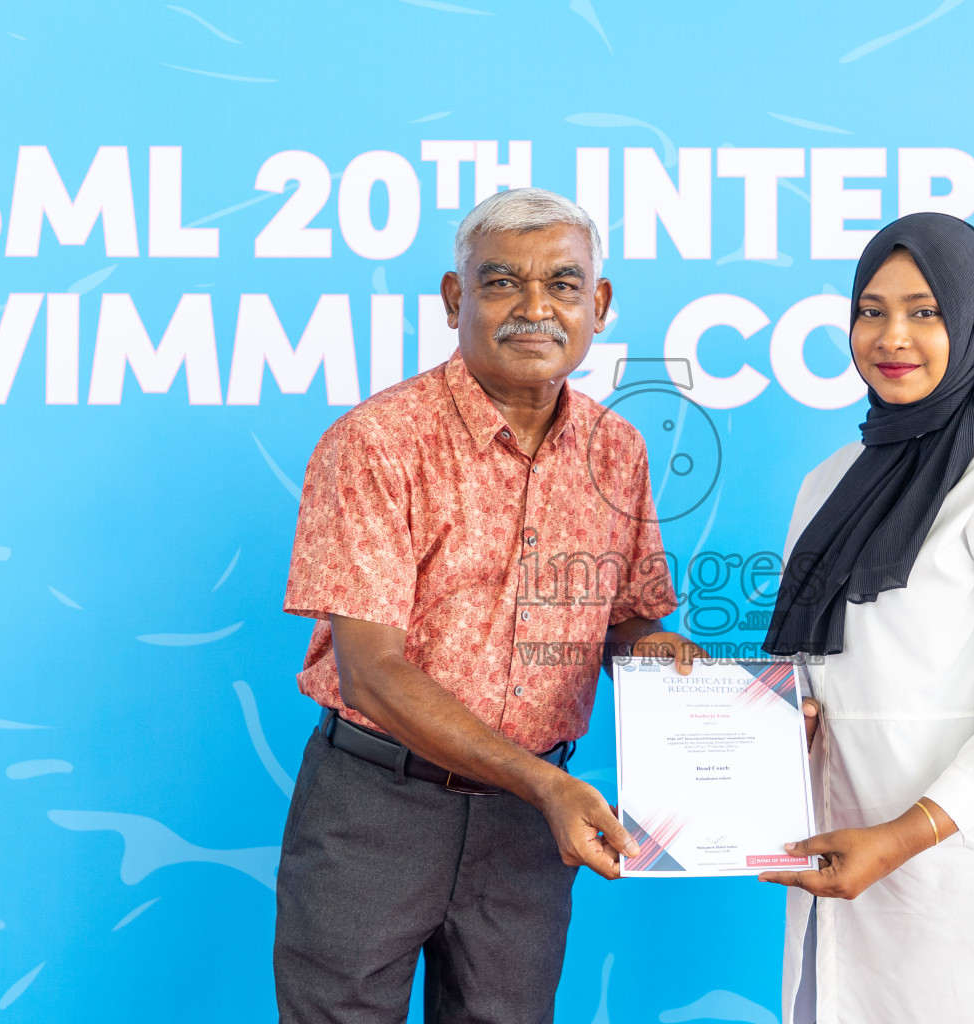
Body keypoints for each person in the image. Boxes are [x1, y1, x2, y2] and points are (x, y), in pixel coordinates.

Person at [273, 187, 698, 1024]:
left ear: (599, 305)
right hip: (375, 811)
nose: (534, 308)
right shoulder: (376, 443)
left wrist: (711, 695)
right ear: (453, 298)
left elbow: (625, 621)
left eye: (564, 285)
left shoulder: (619, 450)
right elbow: (372, 673)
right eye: (501, 283)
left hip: (527, 834)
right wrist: (545, 785)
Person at [758, 213, 974, 1024]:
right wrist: (783, 726)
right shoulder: (831, 482)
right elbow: (838, 672)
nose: (893, 336)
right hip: (846, 862)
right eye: (871, 309)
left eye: (927, 311)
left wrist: (905, 834)